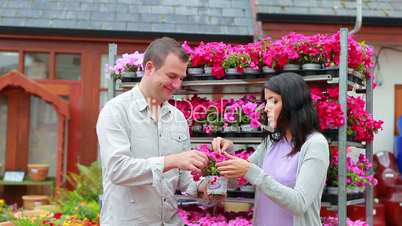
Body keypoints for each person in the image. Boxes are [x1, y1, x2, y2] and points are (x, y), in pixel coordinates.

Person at [96, 37, 210, 226]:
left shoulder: (178, 117)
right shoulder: (116, 110)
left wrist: (204, 187)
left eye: (181, 78)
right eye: (172, 76)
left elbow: (183, 179)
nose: (177, 85)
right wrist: (171, 161)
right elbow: (117, 170)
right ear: (149, 68)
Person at [212, 72, 330, 226]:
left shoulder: (315, 144)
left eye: (274, 101)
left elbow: (299, 203)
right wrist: (228, 152)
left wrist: (251, 171)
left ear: (292, 104)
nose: (266, 107)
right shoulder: (272, 142)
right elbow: (236, 181)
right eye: (266, 100)